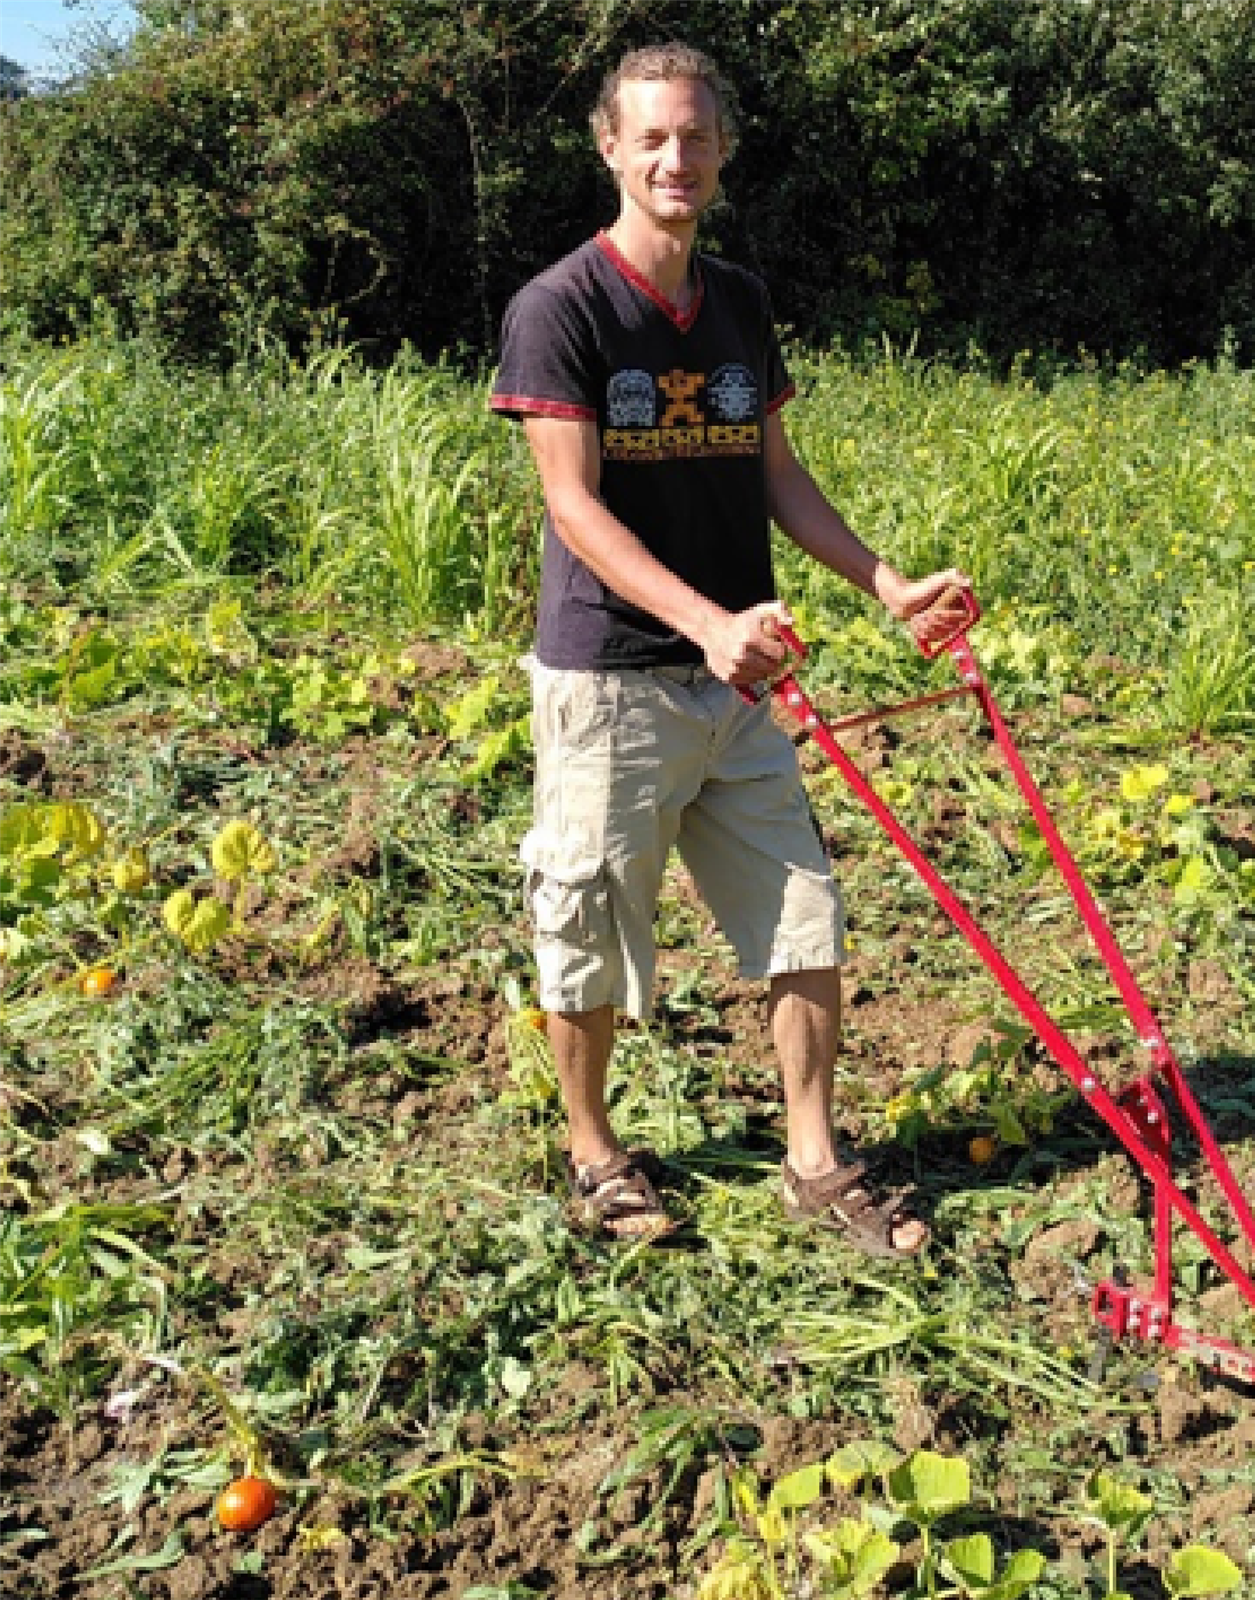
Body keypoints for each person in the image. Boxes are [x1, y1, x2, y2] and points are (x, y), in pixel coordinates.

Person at [489, 41, 964, 1252]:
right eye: (650, 137)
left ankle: (814, 1158)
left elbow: (777, 474)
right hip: (615, 680)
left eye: (695, 136)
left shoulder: (741, 301)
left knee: (806, 921)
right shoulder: (561, 308)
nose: (674, 158)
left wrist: (886, 583)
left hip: (740, 681)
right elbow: (573, 508)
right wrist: (704, 623)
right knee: (588, 923)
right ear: (609, 148)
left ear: (722, 149)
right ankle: (595, 1150)